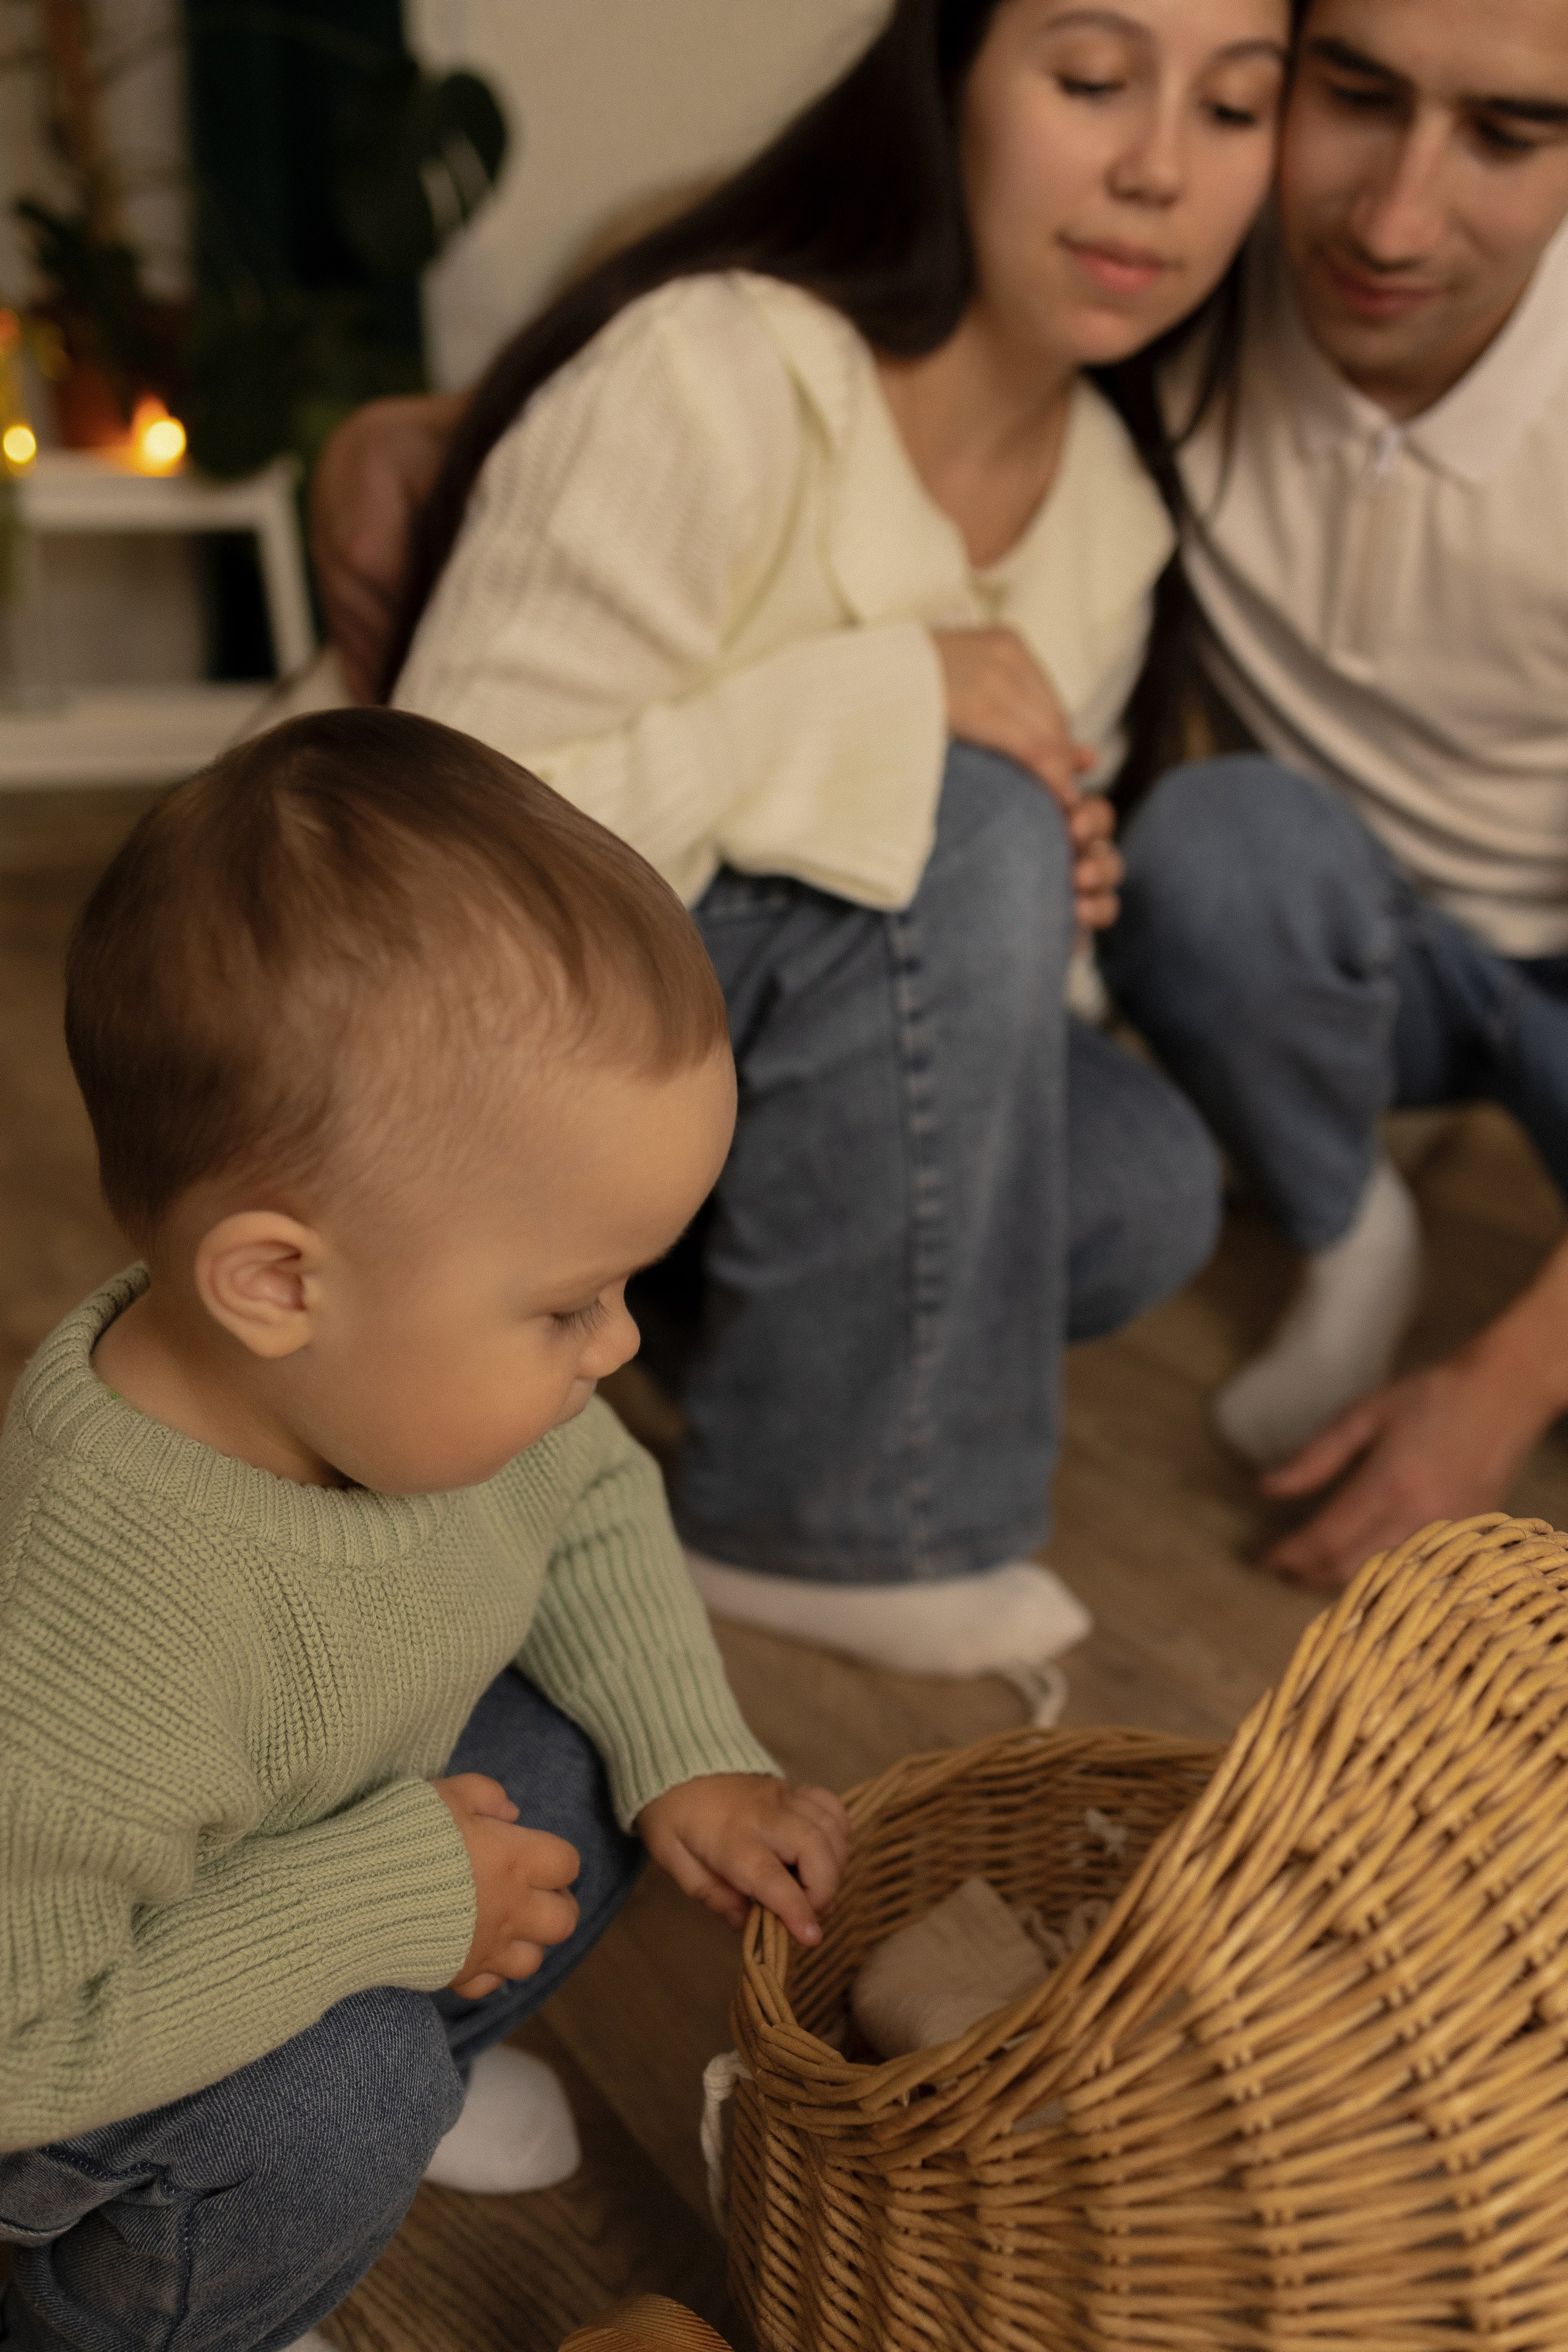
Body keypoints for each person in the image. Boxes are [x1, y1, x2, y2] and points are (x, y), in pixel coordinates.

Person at [307, 0, 1294, 1698]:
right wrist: (883, 707)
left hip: (715, 1082)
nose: (1157, 171)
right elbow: (426, 864)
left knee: (1137, 1181)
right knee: (952, 798)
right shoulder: (719, 361)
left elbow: (950, 974)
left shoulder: (1117, 511)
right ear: (949, 85)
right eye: (1092, 79)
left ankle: (716, 1381)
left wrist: (1043, 895)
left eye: (1232, 110)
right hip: (415, 1030)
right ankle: (816, 1526)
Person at [0, 707, 850, 2352]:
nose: (618, 1349)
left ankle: (390, 2057)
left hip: (314, 1858)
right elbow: (22, 2045)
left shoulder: (389, 1378)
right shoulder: (98, 1634)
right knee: (332, 2109)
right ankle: (154, 2313)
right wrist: (378, 1908)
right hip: (68, 2071)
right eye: (567, 1305)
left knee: (597, 1752)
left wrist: (690, 1753)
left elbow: (592, 1496)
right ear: (279, 1283)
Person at [1099, 0, 1568, 1583]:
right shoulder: (1171, 272)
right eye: (1354, 96)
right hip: (1347, 927)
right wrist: (441, 424)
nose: (1392, 220)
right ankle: (1346, 1226)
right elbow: (823, 244)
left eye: (1507, 134)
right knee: (1207, 851)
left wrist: (1497, 1392)